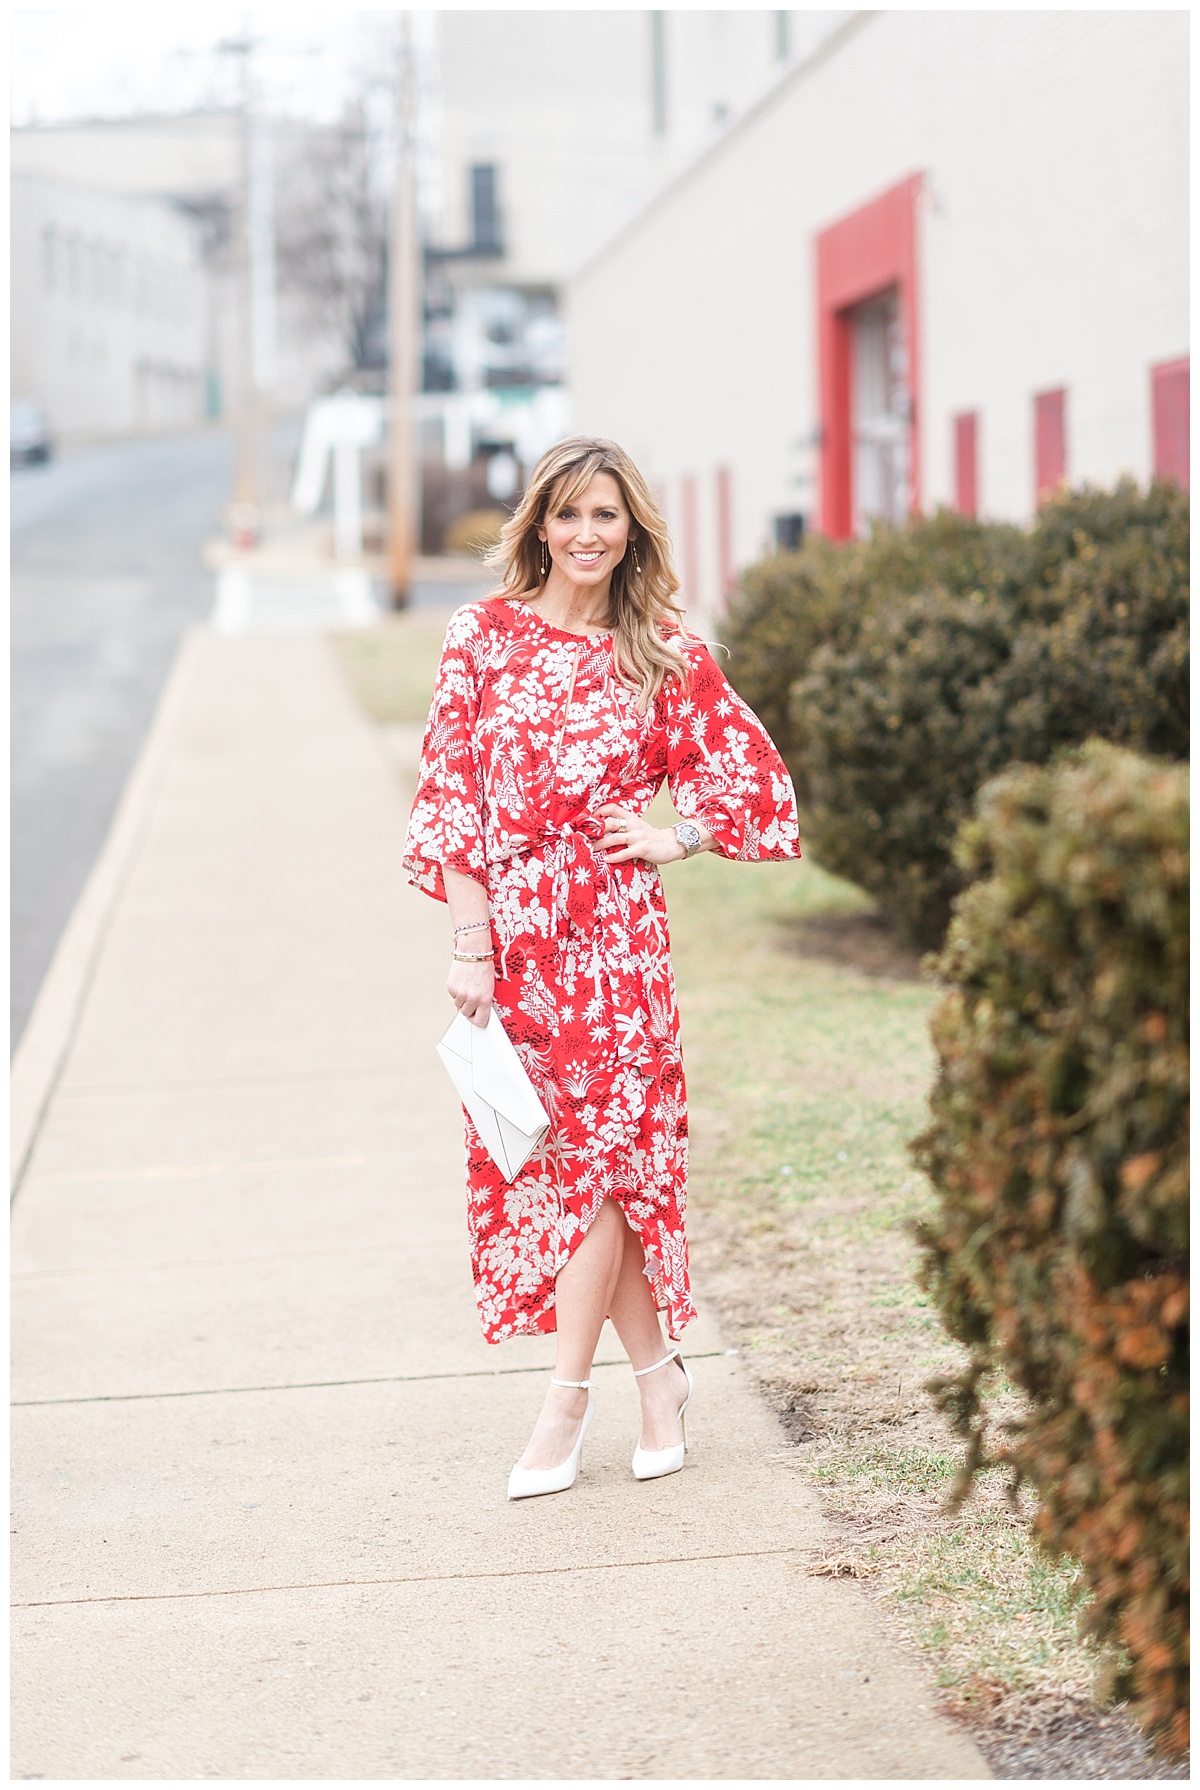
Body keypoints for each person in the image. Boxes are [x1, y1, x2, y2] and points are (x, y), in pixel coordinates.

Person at [403, 436, 800, 1500]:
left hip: (617, 940)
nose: (587, 534)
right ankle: (660, 1375)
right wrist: (471, 941)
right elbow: (452, 802)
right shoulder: (481, 636)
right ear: (539, 523)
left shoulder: (657, 648)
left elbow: (751, 776)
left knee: (602, 1160)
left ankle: (563, 1401)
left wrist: (677, 836)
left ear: (633, 532)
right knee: (567, 1161)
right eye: (569, 514)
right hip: (519, 940)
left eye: (607, 517)